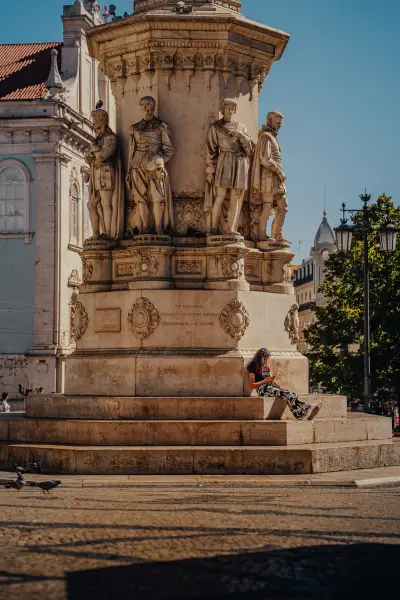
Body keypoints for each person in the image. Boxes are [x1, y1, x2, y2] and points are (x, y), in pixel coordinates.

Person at [247, 348, 321, 420]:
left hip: (270, 387)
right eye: (264, 359)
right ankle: (308, 407)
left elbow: (271, 380)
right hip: (263, 390)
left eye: (267, 359)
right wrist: (266, 381)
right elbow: (251, 385)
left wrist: (278, 386)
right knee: (286, 394)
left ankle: (300, 414)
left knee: (290, 393)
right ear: (260, 357)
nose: (266, 361)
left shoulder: (266, 367)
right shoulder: (253, 367)